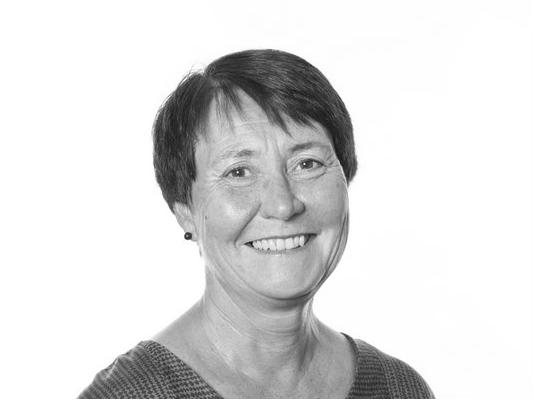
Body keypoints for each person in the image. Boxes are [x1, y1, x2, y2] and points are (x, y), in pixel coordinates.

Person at [79, 49, 434, 399]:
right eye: (239, 172)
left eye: (307, 164)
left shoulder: (399, 389)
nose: (283, 205)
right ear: (184, 210)